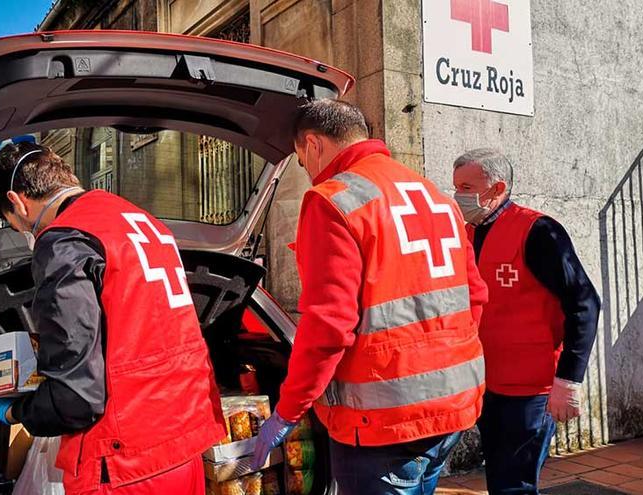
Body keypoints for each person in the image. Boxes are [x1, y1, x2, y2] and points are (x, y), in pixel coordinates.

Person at [0, 142, 225, 495]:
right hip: (185, 445)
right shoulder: (142, 221)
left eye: (13, 223)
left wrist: (15, 411)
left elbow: (77, 400)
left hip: (123, 464)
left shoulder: (64, 240)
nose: (24, 231)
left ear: (18, 201)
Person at [251, 99, 489, 495]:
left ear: (312, 144)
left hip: (384, 424)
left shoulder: (333, 200)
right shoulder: (435, 197)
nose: (307, 170)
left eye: (300, 159)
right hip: (454, 407)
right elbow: (475, 297)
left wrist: (289, 409)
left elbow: (328, 327)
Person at [451, 148, 600, 494]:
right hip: (487, 383)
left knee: (515, 483)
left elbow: (585, 302)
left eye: (466, 186)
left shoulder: (538, 231)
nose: (458, 196)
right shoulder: (467, 234)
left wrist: (568, 380)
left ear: (497, 188)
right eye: (455, 186)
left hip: (531, 390)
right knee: (499, 479)